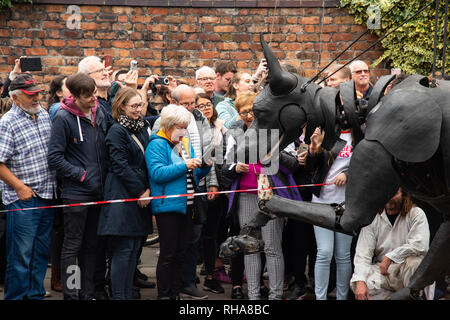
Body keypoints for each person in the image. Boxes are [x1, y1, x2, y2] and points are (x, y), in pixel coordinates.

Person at [152, 84, 219, 299]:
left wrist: (206, 166)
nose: (184, 132)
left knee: (181, 253)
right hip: (169, 206)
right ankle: (164, 294)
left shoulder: (180, 143)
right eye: (181, 128)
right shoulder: (157, 144)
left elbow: (192, 176)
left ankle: (175, 292)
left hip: (187, 205)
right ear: (170, 125)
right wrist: (185, 165)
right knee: (168, 255)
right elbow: (158, 173)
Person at [47, 72, 109, 300]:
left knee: (92, 246)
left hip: (99, 192)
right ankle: (71, 294)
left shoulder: (99, 112)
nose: (94, 98)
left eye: (94, 93)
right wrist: (81, 175)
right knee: (72, 247)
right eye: (88, 96)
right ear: (74, 96)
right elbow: (54, 157)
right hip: (76, 194)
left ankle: (88, 292)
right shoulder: (63, 119)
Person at [222, 91, 285, 300]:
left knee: (272, 247)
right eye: (244, 112)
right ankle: (254, 297)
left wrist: (270, 161)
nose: (249, 115)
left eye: (252, 110)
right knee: (250, 247)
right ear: (239, 114)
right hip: (246, 196)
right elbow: (224, 166)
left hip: (270, 196)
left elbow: (290, 163)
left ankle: (275, 296)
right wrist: (235, 167)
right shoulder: (234, 134)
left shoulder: (274, 131)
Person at [0, 73, 56, 300]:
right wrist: (19, 187)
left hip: (47, 194)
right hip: (23, 197)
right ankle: (16, 297)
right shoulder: (7, 123)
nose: (36, 98)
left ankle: (35, 295)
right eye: (30, 95)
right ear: (15, 98)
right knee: (21, 255)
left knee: (41, 252)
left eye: (38, 94)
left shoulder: (42, 114)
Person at [97, 87, 153, 300]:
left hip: (141, 192)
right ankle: (119, 295)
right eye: (134, 106)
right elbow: (119, 165)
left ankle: (126, 293)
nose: (139, 109)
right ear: (121, 106)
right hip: (123, 194)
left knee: (135, 248)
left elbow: (148, 160)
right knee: (123, 249)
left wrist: (147, 189)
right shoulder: (117, 130)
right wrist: (140, 191)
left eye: (141, 105)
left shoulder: (143, 126)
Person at [350, 189, 430, 300]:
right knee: (362, 281)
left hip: (405, 268)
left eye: (395, 193)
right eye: (387, 193)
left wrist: (391, 257)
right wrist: (360, 281)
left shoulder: (416, 213)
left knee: (415, 263)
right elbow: (363, 253)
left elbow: (420, 244)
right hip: (384, 272)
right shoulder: (374, 218)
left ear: (404, 195)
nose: (390, 197)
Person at [306, 126, 354, 300]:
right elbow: (311, 169)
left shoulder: (361, 135)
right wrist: (313, 148)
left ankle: (342, 296)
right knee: (324, 252)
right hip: (321, 202)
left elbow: (366, 163)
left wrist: (347, 174)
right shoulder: (329, 134)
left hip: (346, 204)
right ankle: (321, 297)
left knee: (342, 255)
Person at [194, 93, 228, 294]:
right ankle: (190, 277)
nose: (206, 108)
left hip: (216, 185)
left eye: (208, 104)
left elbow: (217, 159)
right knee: (195, 235)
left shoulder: (221, 127)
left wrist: (215, 185)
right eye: (201, 106)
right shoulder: (193, 128)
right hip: (198, 185)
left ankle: (210, 274)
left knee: (212, 234)